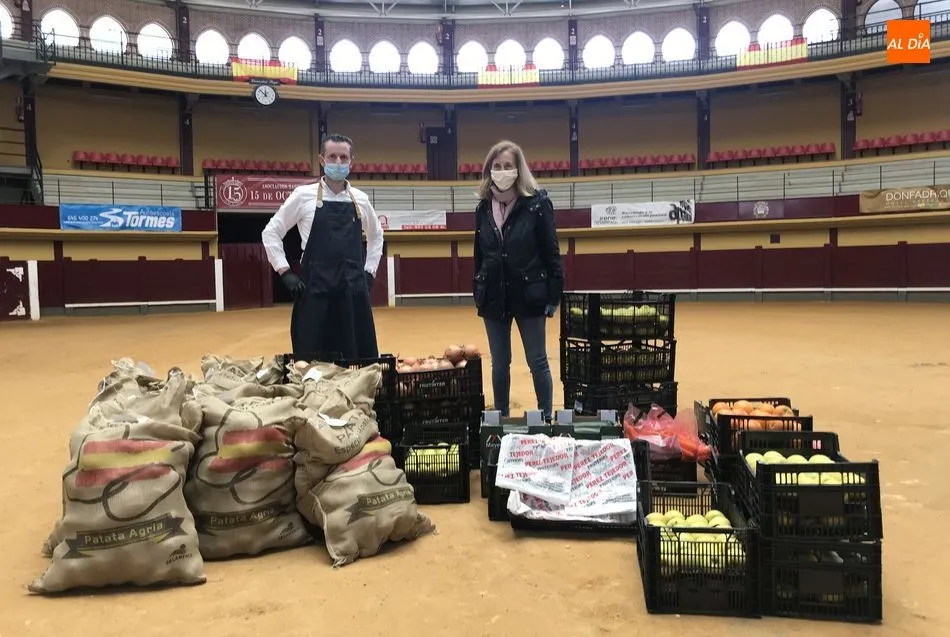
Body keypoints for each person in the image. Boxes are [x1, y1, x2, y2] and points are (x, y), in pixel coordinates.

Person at [261, 133, 384, 361]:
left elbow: (377, 237)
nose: (338, 162)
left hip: (352, 295)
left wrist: (369, 272)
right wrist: (284, 271)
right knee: (312, 361)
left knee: (358, 359)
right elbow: (271, 232)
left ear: (351, 161)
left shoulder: (361, 200)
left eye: (343, 157)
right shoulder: (302, 196)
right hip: (316, 294)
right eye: (332, 156)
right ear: (321, 159)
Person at [472, 140, 564, 421]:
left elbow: (552, 253)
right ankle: (500, 419)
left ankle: (546, 417)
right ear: (489, 170)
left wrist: (553, 296)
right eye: (497, 166)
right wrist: (479, 289)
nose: (502, 171)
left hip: (530, 293)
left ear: (518, 169)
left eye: (508, 166)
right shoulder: (482, 208)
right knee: (499, 364)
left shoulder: (537, 204)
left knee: (537, 361)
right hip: (494, 295)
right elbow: (480, 254)